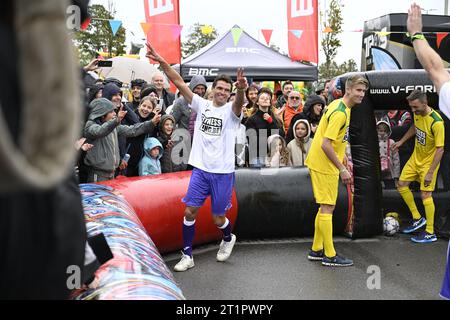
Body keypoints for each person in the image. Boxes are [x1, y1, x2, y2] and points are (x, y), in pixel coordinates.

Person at [146, 42, 247, 272]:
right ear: (212, 89)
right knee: (189, 211)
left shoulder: (231, 111)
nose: (221, 92)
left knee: (218, 218)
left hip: (222, 173)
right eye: (218, 88)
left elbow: (239, 104)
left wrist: (240, 90)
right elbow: (179, 82)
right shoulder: (201, 105)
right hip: (200, 169)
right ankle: (187, 255)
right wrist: (161, 59)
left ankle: (228, 237)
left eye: (226, 90)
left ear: (229, 93)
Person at [305, 74, 369, 267]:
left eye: (364, 91)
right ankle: (330, 255)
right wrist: (342, 168)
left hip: (323, 162)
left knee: (324, 206)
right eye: (358, 90)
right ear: (348, 90)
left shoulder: (341, 106)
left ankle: (316, 250)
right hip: (324, 165)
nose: (362, 95)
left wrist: (343, 157)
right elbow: (326, 144)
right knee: (328, 208)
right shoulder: (341, 112)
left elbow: (335, 139)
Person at [391, 90, 444, 242]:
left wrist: (430, 172)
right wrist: (401, 142)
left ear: (424, 103)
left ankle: (430, 232)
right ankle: (417, 218)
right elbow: (415, 127)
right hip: (416, 158)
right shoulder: (418, 113)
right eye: (411, 107)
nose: (413, 111)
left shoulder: (436, 122)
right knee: (401, 184)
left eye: (415, 107)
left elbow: (440, 149)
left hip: (429, 163)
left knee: (425, 194)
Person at [83, 98, 157, 182]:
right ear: (102, 114)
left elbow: (132, 130)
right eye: (111, 112)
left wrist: (151, 123)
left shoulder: (114, 126)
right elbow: (100, 131)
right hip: (97, 175)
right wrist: (116, 120)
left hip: (112, 174)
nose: (114, 114)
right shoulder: (90, 125)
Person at [245, 88, 284, 167]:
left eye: (267, 98)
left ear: (270, 103)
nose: (265, 99)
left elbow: (281, 136)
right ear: (257, 103)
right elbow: (252, 141)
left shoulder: (274, 118)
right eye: (262, 98)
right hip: (258, 156)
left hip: (274, 156)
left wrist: (271, 122)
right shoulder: (251, 120)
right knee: (258, 178)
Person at [125, 96, 161, 177]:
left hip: (143, 164)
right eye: (144, 106)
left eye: (149, 107)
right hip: (128, 162)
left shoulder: (154, 123)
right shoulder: (131, 118)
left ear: (152, 110)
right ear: (139, 106)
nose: (145, 109)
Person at [377, 120, 401, 189]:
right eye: (380, 131)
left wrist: (396, 175)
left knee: (390, 188)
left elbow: (396, 159)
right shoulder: (373, 141)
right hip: (377, 171)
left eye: (384, 131)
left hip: (389, 171)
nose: (382, 133)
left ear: (388, 132)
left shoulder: (391, 142)